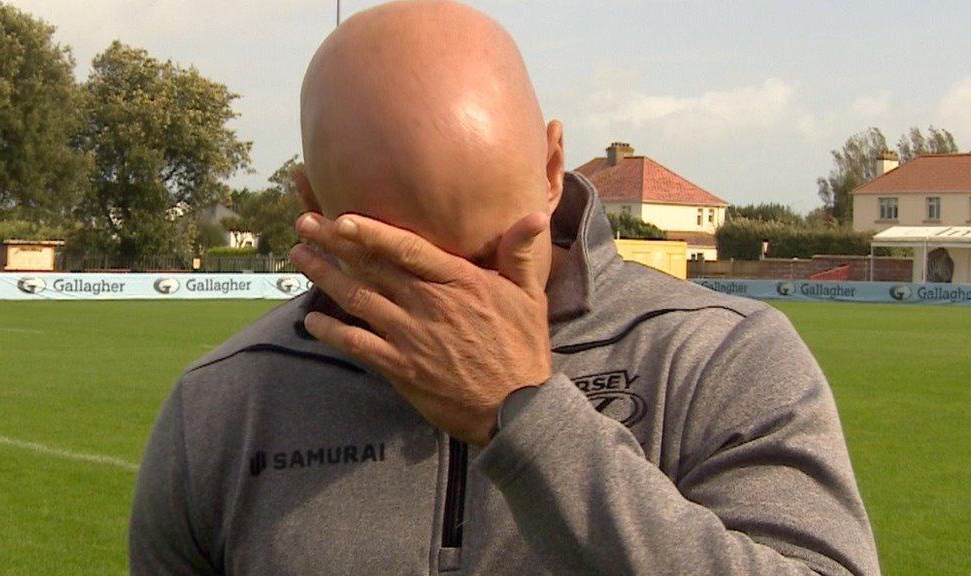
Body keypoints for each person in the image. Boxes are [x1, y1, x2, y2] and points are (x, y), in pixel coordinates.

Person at [129, 1, 880, 574]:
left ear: (553, 167)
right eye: (405, 265)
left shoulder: (718, 358)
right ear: (313, 206)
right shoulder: (226, 406)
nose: (458, 310)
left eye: (490, 256)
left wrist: (529, 417)